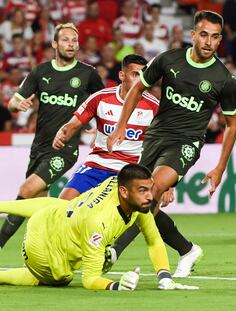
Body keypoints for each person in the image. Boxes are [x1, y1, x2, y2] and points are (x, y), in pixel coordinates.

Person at [107, 10, 236, 277]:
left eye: (214, 37)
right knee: (138, 198)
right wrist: (121, 124)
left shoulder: (223, 79)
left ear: (219, 40)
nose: (208, 42)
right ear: (193, 35)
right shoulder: (168, 59)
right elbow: (138, 89)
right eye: (203, 34)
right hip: (156, 136)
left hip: (186, 143)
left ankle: (113, 252)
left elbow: (232, 125)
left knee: (151, 189)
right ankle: (187, 249)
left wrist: (219, 168)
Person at [0, 164, 198, 291]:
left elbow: (154, 240)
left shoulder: (124, 188)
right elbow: (90, 279)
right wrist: (115, 286)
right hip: (40, 250)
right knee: (62, 277)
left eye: (150, 189)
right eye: (143, 190)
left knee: (61, 206)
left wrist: (164, 277)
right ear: (124, 192)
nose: (149, 196)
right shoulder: (99, 222)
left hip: (47, 216)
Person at [0, 23, 105, 250]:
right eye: (66, 40)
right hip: (39, 147)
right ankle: (48, 252)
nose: (71, 44)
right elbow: (12, 102)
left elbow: (105, 104)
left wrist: (100, 127)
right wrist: (20, 104)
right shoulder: (40, 72)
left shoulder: (87, 74)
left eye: (74, 41)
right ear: (55, 44)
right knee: (39, 206)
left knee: (25, 191)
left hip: (64, 149)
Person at [53, 54, 161, 201]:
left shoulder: (154, 106)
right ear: (122, 75)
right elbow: (72, 125)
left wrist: (168, 185)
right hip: (97, 164)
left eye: (143, 75)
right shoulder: (100, 98)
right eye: (135, 74)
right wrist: (61, 134)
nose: (139, 80)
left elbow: (164, 143)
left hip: (130, 171)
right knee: (62, 205)